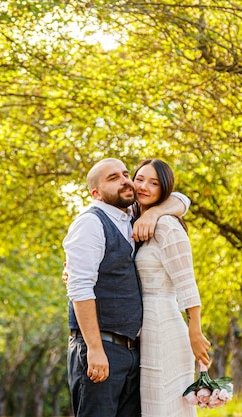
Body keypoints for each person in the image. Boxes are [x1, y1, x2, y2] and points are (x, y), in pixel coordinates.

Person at [63, 158, 190, 417]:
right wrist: (96, 350)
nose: (124, 180)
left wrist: (154, 213)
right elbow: (80, 290)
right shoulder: (90, 223)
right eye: (113, 178)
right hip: (100, 348)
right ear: (96, 193)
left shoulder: (130, 216)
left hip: (131, 351)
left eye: (124, 174)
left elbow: (181, 199)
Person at [132, 159, 210, 417]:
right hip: (144, 330)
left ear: (163, 190)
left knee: (165, 408)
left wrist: (195, 330)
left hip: (164, 327)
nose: (144, 186)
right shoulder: (134, 220)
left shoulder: (166, 225)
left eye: (154, 183)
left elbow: (186, 280)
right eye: (140, 178)